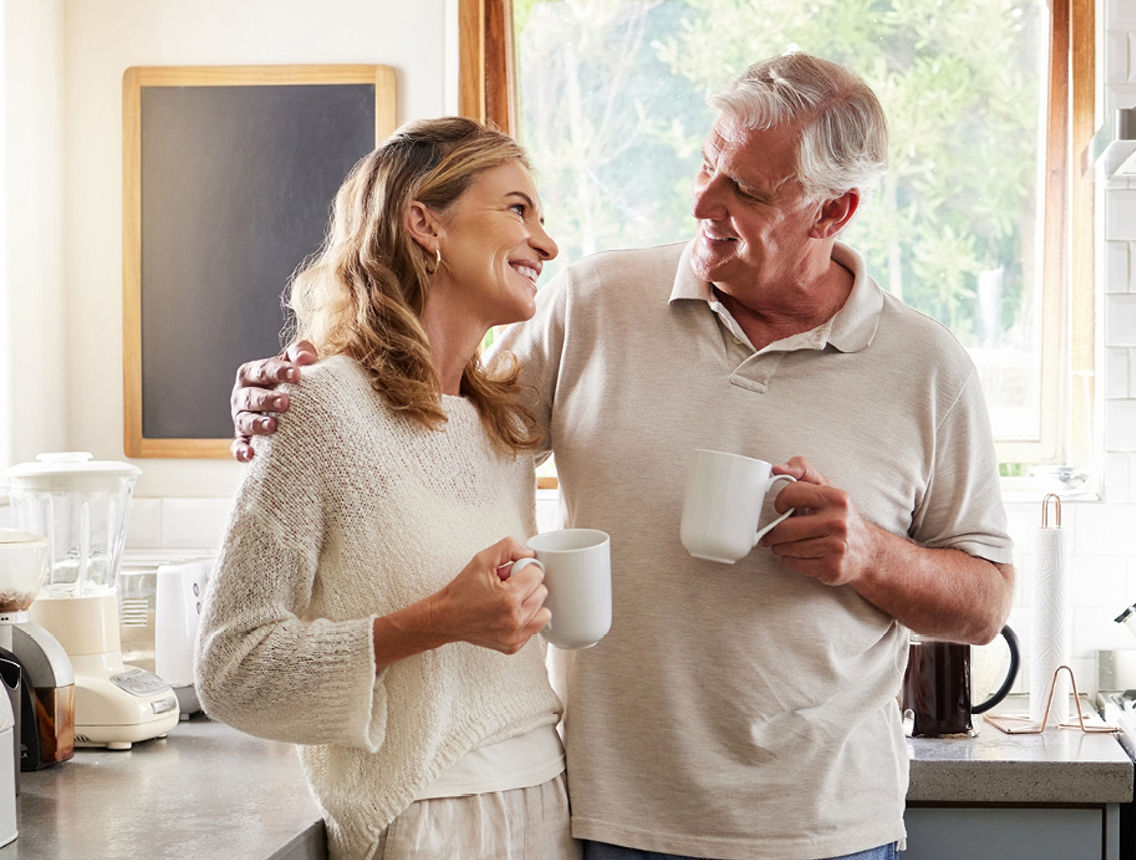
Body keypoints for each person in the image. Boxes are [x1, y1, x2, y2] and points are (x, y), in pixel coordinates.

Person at [231, 54, 1015, 860]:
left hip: (829, 828)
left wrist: (872, 556)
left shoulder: (925, 367)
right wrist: (303, 381)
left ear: (832, 212)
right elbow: (440, 415)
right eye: (708, 166)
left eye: (745, 191)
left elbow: (985, 603)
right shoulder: (595, 305)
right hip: (614, 820)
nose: (704, 203)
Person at [196, 117, 581, 860]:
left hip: (543, 802)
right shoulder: (319, 406)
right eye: (517, 209)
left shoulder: (502, 426)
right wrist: (438, 619)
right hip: (420, 818)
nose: (547, 243)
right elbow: (231, 669)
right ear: (423, 223)